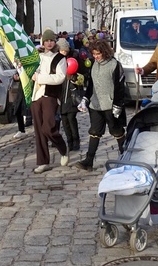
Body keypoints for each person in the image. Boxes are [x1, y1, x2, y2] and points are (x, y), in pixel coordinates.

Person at [74, 39, 126, 171]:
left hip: (111, 105)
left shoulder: (115, 65)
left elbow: (120, 87)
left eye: (98, 54)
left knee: (117, 132)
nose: (96, 57)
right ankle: (89, 161)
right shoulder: (94, 65)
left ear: (104, 52)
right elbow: (91, 85)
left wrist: (118, 105)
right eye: (94, 54)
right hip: (96, 105)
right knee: (95, 132)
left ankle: (126, 157)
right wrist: (85, 99)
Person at [30, 29, 70, 174]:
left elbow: (59, 77)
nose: (49, 43)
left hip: (51, 96)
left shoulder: (60, 58)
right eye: (46, 40)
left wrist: (40, 78)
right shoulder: (37, 56)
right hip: (36, 96)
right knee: (39, 131)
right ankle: (43, 161)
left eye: (51, 40)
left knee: (48, 127)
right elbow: (30, 72)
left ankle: (62, 148)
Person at [56, 38, 82, 152]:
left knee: (71, 119)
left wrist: (76, 78)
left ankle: (76, 141)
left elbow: (82, 75)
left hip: (71, 96)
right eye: (62, 51)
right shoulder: (56, 61)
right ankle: (69, 141)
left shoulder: (73, 58)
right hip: (61, 96)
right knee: (65, 120)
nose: (64, 53)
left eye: (65, 51)